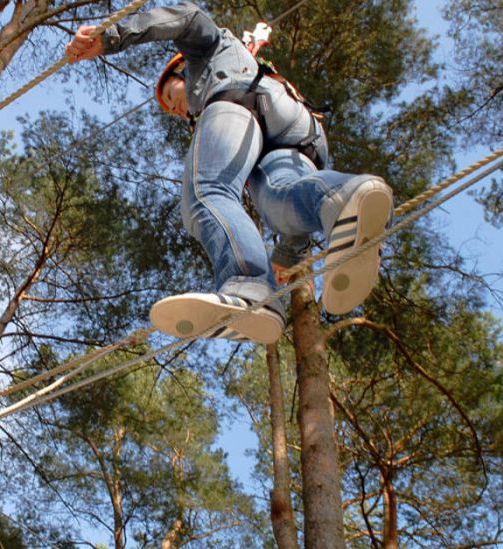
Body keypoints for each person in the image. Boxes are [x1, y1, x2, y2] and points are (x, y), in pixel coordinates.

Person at [65, 2, 395, 343]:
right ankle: (343, 199)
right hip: (298, 132)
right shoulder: (253, 69)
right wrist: (287, 255)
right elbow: (292, 221)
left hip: (240, 100)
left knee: (207, 192)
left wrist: (109, 38)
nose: (176, 110)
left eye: (171, 95)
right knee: (279, 199)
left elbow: (188, 18)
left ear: (182, 71)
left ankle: (248, 284)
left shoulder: (206, 51)